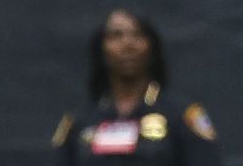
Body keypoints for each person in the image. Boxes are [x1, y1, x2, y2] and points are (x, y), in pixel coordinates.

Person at [54, 9, 221, 164]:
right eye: (116, 36)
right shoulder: (79, 120)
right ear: (101, 49)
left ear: (152, 47)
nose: (128, 44)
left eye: (138, 35)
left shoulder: (182, 115)